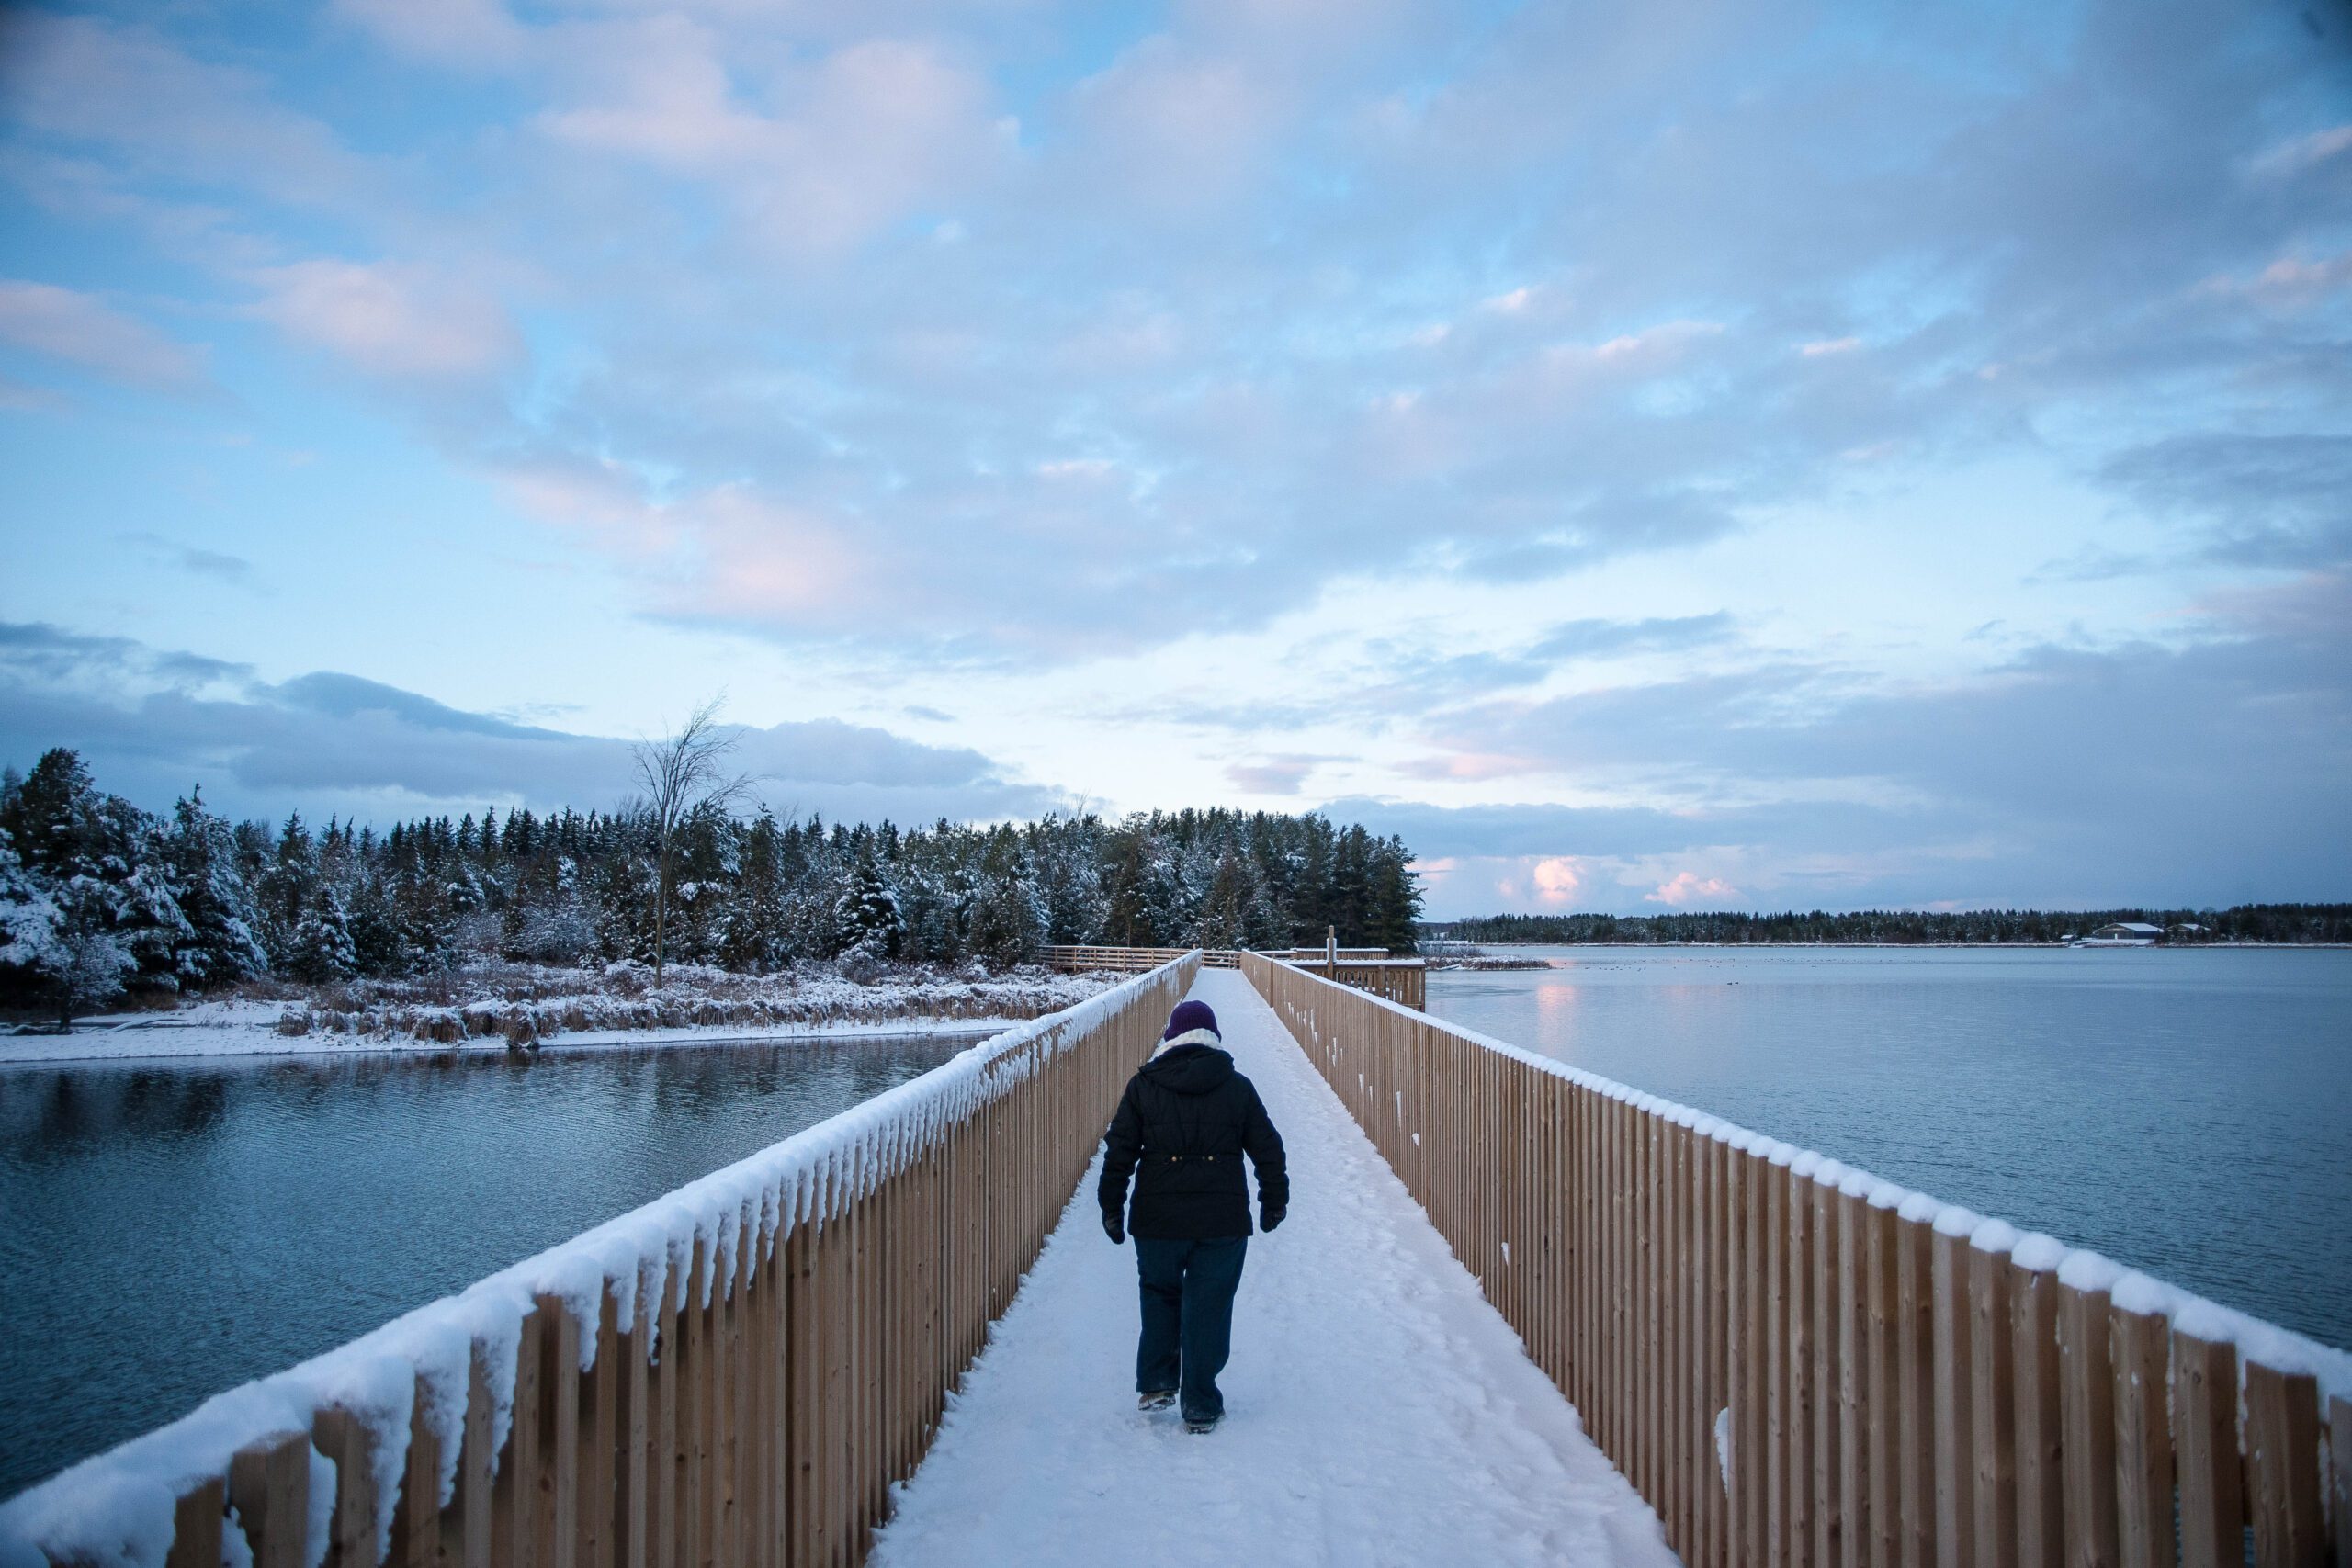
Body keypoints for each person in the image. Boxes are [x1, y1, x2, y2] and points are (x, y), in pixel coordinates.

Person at [1097, 997, 1288, 1433]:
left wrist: (1112, 1204)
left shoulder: (1144, 1085)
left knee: (1159, 1292)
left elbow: (1120, 1151)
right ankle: (1200, 1403)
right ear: (1213, 1038)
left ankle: (1159, 1382)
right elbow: (1268, 1149)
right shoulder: (1237, 1086)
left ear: (1171, 1037)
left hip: (1157, 1218)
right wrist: (1273, 1200)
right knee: (1210, 1305)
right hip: (1221, 1221)